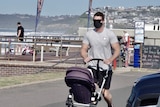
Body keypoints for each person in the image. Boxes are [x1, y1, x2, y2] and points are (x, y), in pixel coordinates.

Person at [80, 12, 120, 107]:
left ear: (103, 21)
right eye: (94, 21)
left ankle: (110, 105)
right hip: (92, 66)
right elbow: (83, 49)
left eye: (98, 21)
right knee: (90, 87)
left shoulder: (109, 34)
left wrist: (110, 59)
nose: (96, 22)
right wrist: (85, 57)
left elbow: (117, 49)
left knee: (105, 93)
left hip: (105, 67)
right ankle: (91, 101)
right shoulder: (89, 34)